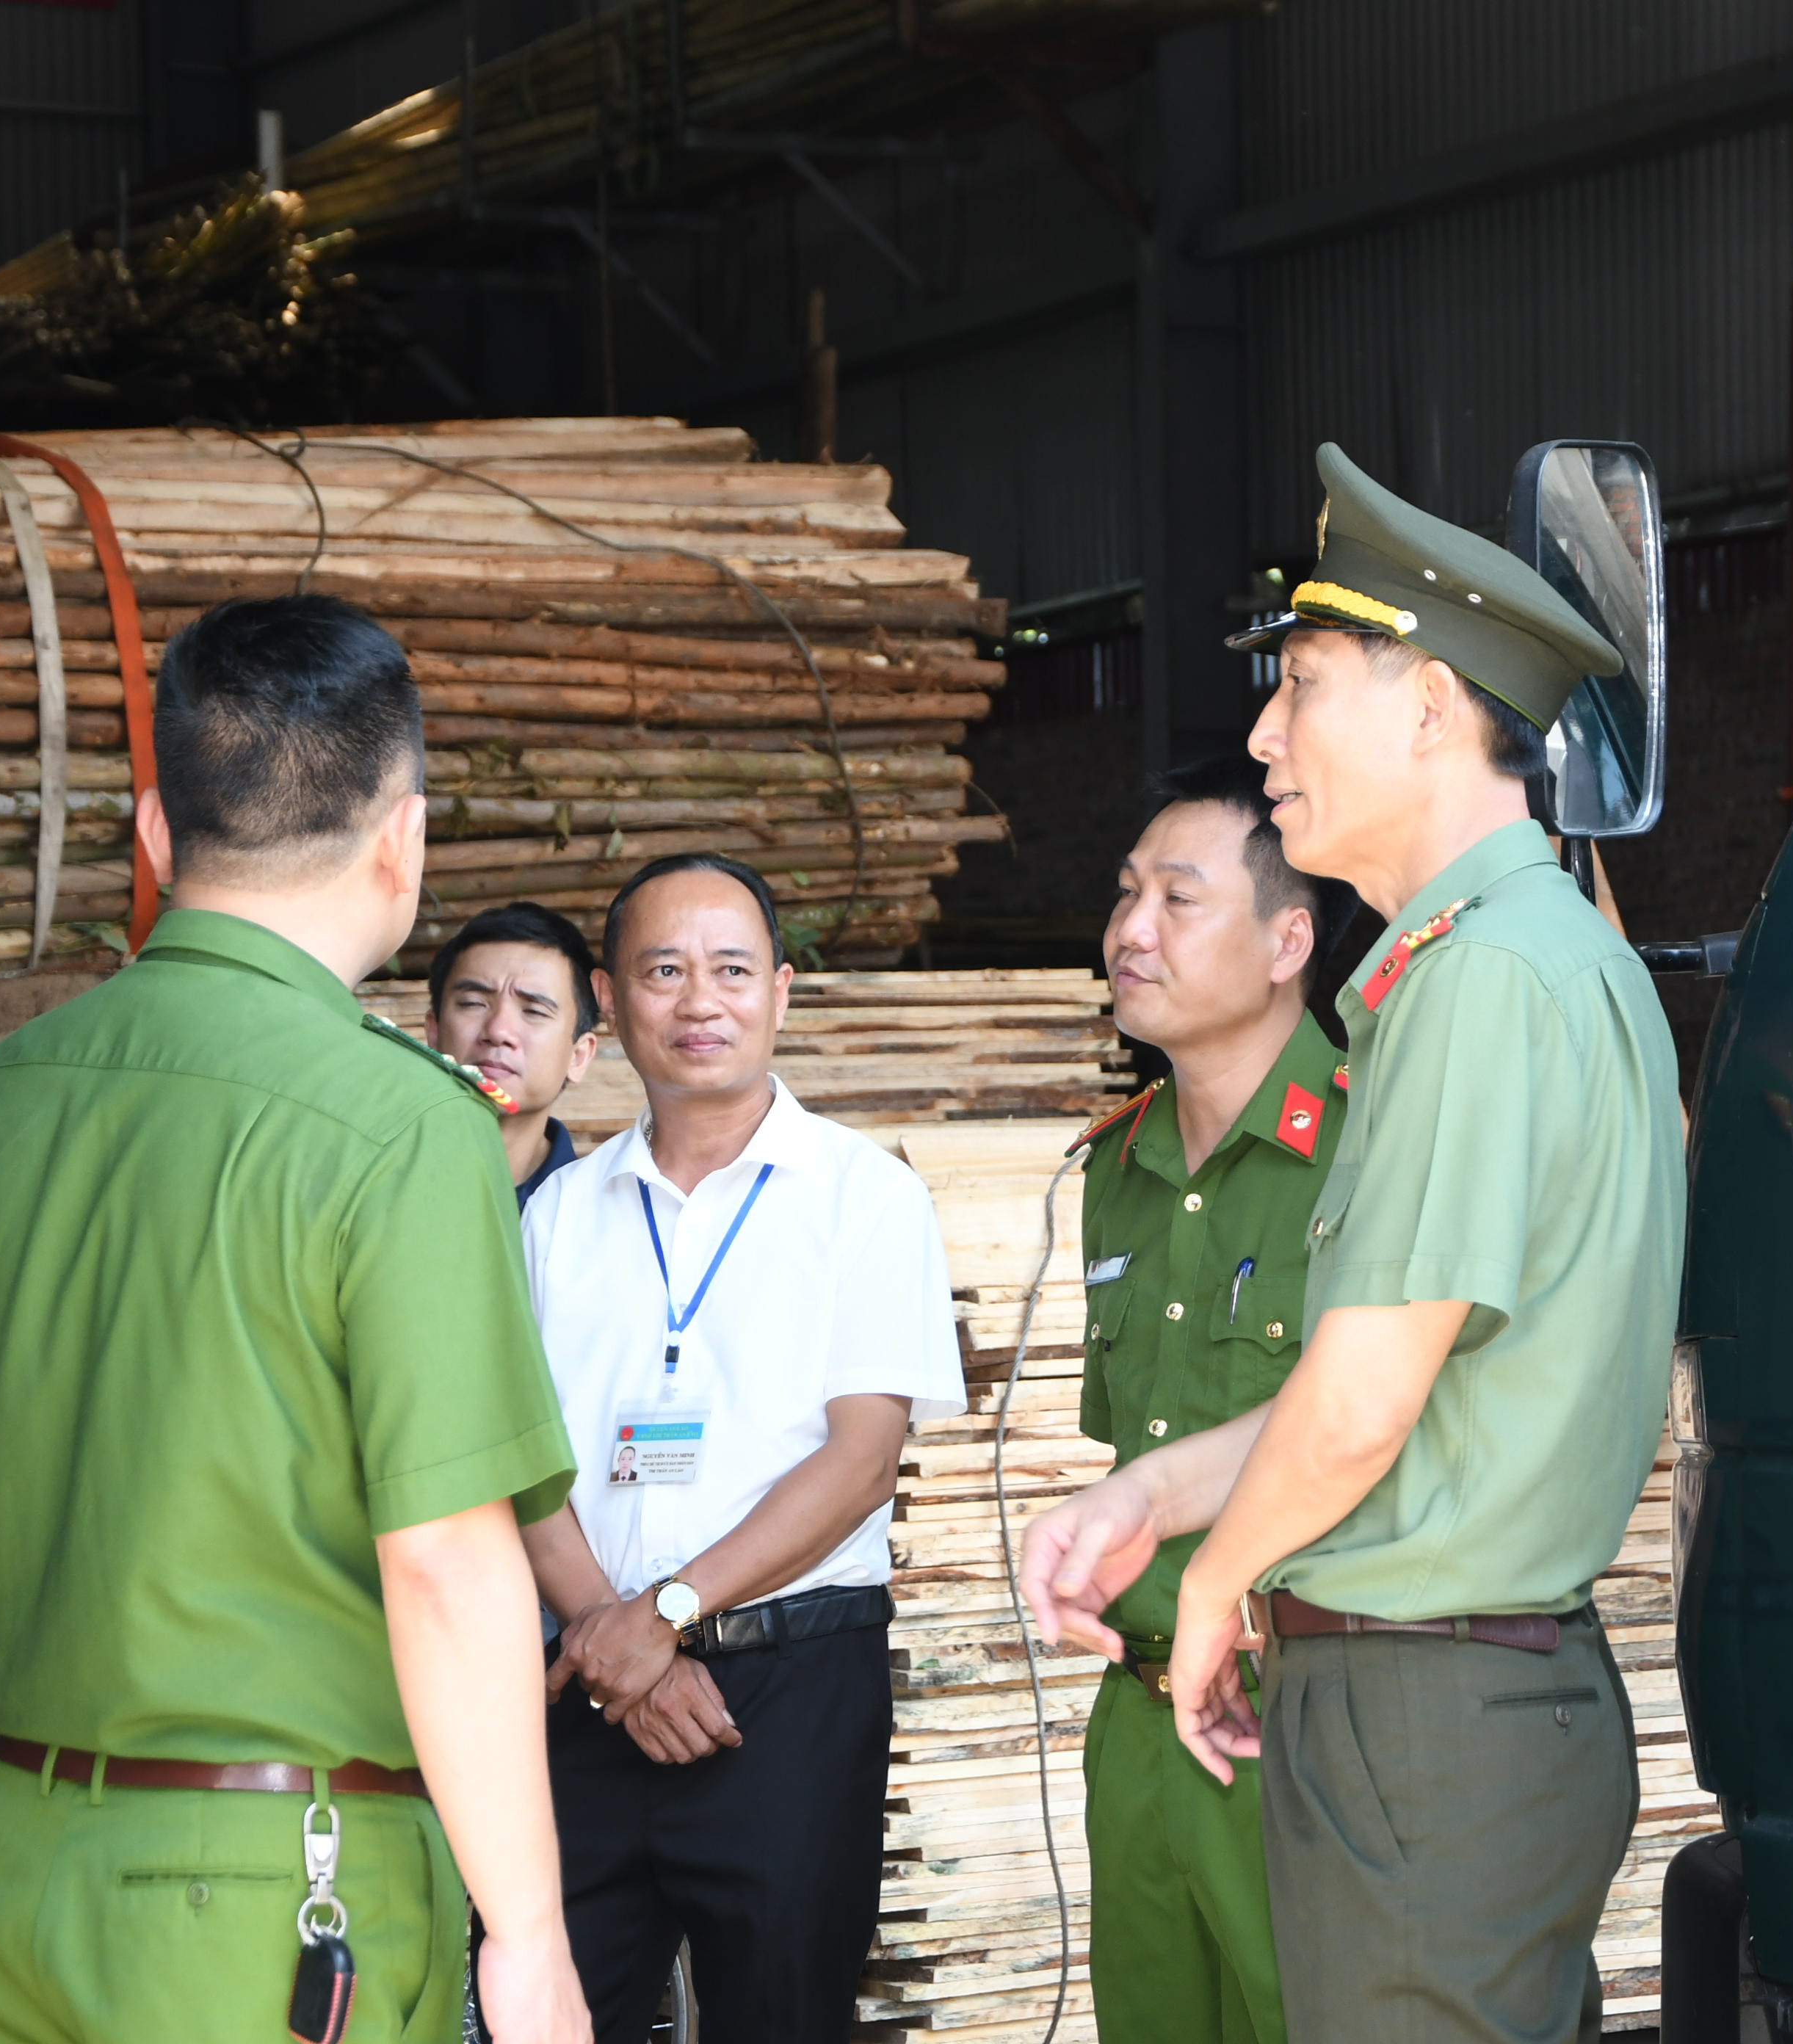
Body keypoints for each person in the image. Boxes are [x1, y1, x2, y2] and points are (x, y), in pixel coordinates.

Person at [1024, 442, 1686, 2044]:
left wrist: (1216, 1586)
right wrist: (1157, 1490)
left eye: (1302, 683)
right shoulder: (1526, 960)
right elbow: (1410, 1371)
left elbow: (1370, 1398)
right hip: (1449, 1708)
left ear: (1429, 709)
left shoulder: (1477, 981)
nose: (1264, 735)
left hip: (1426, 1711)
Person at [0, 595, 588, 2044]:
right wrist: (529, 1940)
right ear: (406, 840)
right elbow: (448, 1561)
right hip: (278, 1900)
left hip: (18, 1869)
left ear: (153, 833)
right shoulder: (403, 1129)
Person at [518, 852, 963, 2044]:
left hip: (789, 1691)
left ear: (781, 993)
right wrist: (625, 1643)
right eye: (663, 969)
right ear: (610, 1003)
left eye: (730, 968)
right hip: (590, 1689)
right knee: (553, 2011)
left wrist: (662, 1611)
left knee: (781, 2017)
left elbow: (861, 1457)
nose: (698, 1000)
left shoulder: (866, 1195)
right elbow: (519, 1460)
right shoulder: (559, 1213)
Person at [1066, 755, 1348, 2044]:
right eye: (1127, 894)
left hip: (1294, 1715)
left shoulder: (1369, 1143)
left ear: (1289, 937)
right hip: (1137, 1718)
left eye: (1179, 898)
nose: (1131, 929)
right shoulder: (1116, 1168)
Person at [429, 899, 601, 1208]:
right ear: (434, 1032)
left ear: (578, 1056)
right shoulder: (372, 1187)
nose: (498, 1031)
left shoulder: (601, 1217)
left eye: (533, 1010)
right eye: (473, 1003)